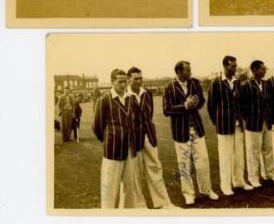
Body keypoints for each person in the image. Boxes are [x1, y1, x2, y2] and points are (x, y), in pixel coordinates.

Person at [163, 61, 218, 205]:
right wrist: (184, 106)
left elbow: (201, 101)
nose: (190, 72)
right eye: (187, 70)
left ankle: (206, 190)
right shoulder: (170, 87)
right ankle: (188, 194)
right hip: (180, 132)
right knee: (185, 165)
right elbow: (166, 110)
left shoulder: (194, 82)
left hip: (197, 130)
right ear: (179, 72)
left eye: (190, 70)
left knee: (203, 162)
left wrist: (194, 104)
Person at [92, 68, 144, 209]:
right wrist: (111, 139)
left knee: (129, 187)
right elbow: (97, 127)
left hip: (130, 150)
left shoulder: (131, 99)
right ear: (112, 82)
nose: (123, 85)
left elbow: (138, 120)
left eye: (125, 82)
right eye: (119, 82)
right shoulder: (104, 100)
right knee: (109, 188)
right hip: (113, 151)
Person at [127, 67, 175, 209]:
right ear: (129, 79)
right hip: (133, 139)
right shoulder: (125, 95)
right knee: (134, 173)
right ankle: (139, 206)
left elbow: (149, 114)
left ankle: (162, 203)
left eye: (140, 78)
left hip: (148, 136)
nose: (139, 81)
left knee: (155, 168)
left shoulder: (147, 93)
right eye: (135, 78)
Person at [207, 55, 253, 196]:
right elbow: (211, 105)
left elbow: (240, 102)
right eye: (232, 66)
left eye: (235, 66)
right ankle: (225, 186)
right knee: (225, 157)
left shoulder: (237, 82)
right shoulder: (216, 82)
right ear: (225, 66)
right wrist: (218, 122)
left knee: (239, 155)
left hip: (238, 124)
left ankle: (239, 181)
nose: (235, 69)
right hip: (224, 126)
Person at [239, 60, 274, 188]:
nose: (264, 71)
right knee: (253, 151)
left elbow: (269, 102)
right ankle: (253, 178)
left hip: (266, 122)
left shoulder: (266, 84)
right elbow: (242, 105)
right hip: (253, 123)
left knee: (268, 149)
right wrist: (249, 118)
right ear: (255, 70)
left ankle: (269, 173)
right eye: (262, 69)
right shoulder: (246, 85)